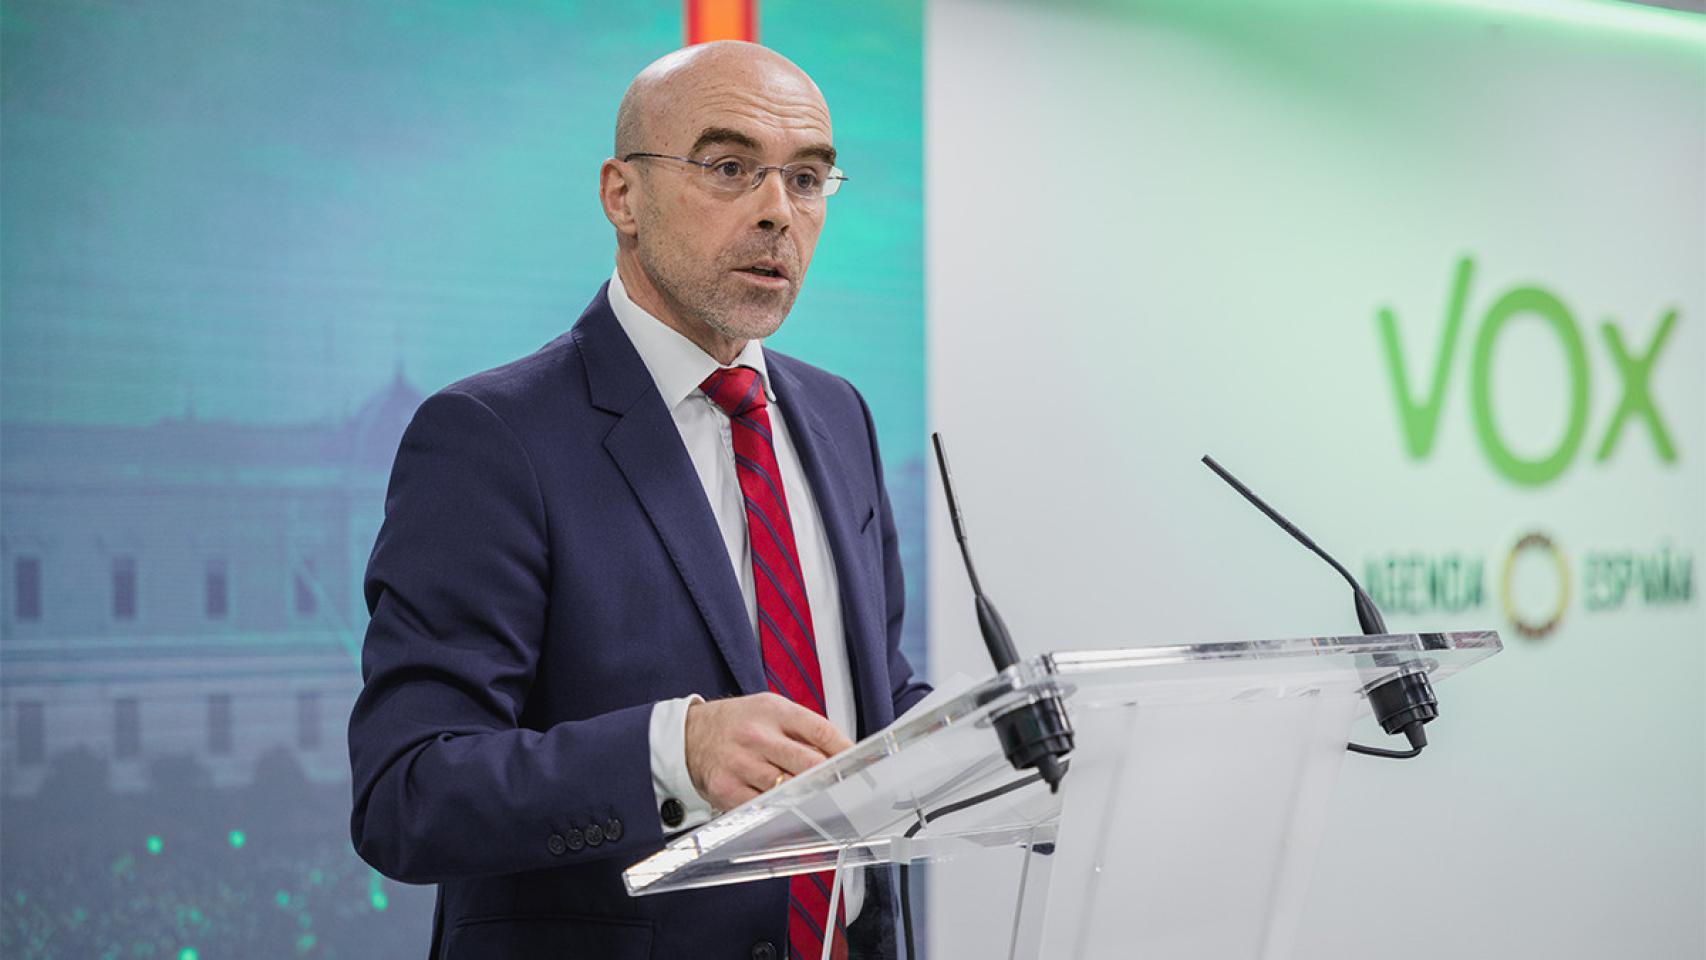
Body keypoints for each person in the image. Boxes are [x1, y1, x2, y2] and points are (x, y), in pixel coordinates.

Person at [347, 40, 929, 960]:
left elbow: (868, 699)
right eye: (730, 168)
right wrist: (676, 751)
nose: (779, 212)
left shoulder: (836, 413)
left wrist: (998, 742)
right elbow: (410, 793)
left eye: (808, 179)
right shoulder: (491, 436)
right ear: (622, 195)